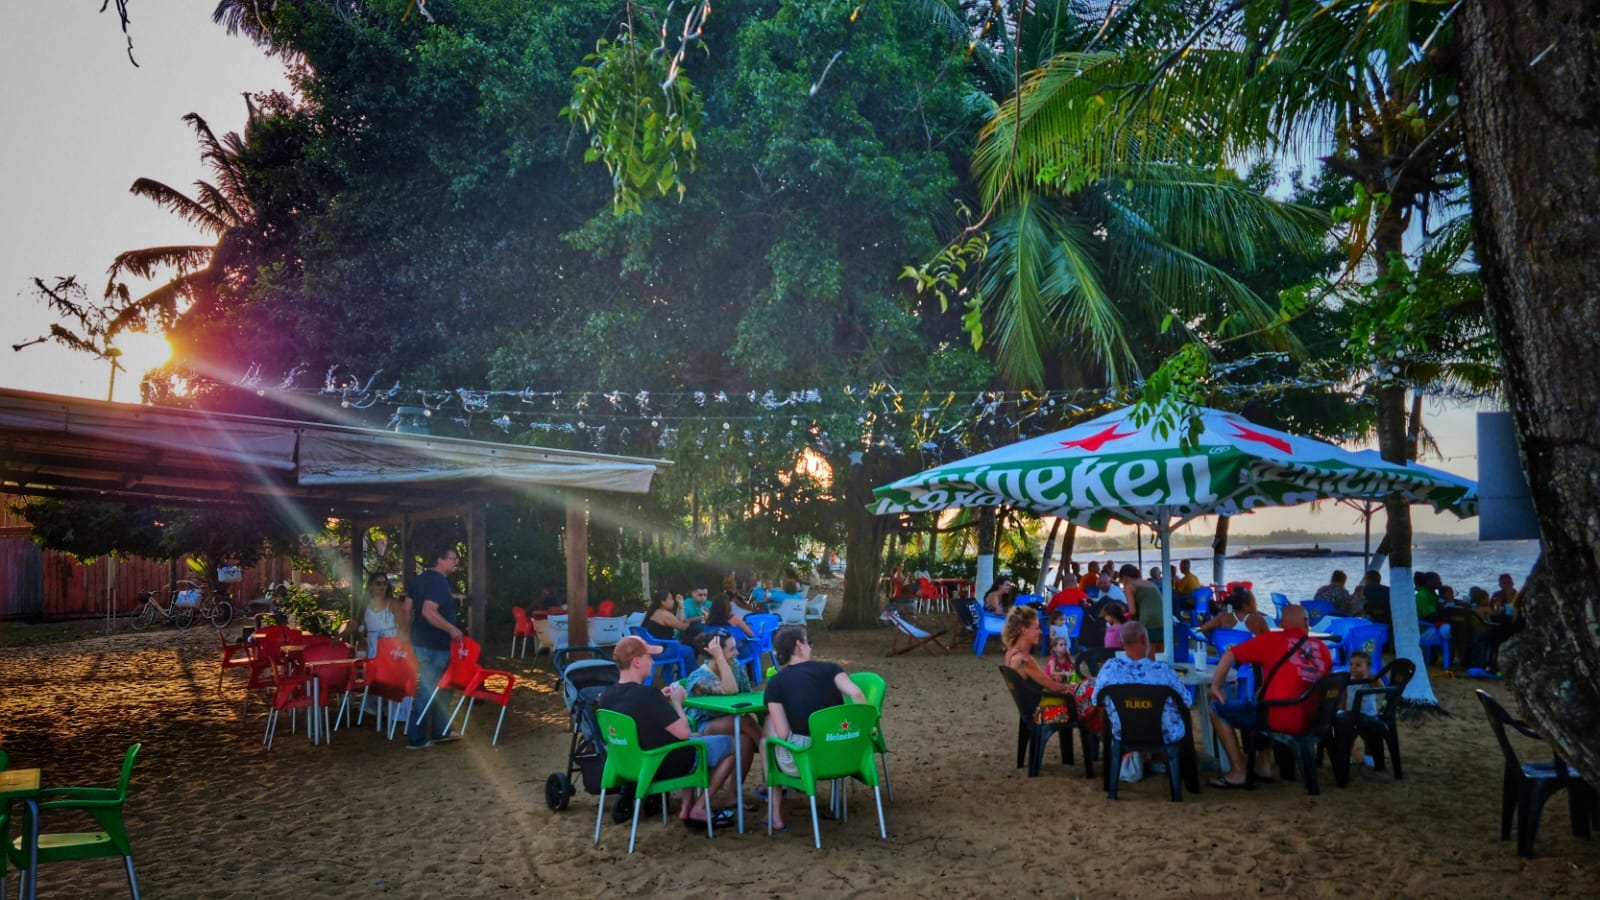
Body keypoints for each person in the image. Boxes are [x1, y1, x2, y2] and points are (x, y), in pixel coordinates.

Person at [599, 636, 737, 829]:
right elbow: (682, 733)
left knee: (701, 739)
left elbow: (640, 717)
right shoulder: (647, 695)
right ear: (636, 661)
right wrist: (677, 703)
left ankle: (687, 807)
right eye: (649, 656)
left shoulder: (607, 697)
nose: (653, 661)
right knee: (732, 744)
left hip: (628, 765)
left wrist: (661, 702)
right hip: (665, 764)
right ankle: (699, 808)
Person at [1207, 605, 1332, 787]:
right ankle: (1263, 764)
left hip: (1281, 718)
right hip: (1315, 719)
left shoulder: (1272, 640)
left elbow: (1230, 654)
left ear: (1281, 623)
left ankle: (1238, 771)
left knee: (1216, 708)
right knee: (1263, 700)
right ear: (1306, 622)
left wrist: (1216, 686)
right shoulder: (1323, 649)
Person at [763, 625, 866, 833]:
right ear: (799, 646)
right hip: (844, 750)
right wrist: (864, 728)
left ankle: (774, 813)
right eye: (809, 642)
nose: (810, 646)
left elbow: (783, 734)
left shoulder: (776, 683)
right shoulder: (832, 669)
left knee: (767, 739)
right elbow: (856, 694)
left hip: (806, 761)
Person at [1095, 621, 1188, 782]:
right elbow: (1186, 701)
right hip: (1162, 734)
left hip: (1124, 732)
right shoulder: (1163, 671)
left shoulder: (1110, 669)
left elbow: (1095, 699)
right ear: (1145, 639)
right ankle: (1172, 765)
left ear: (1122, 642)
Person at [683, 630, 761, 806]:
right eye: (732, 650)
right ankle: (770, 754)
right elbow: (730, 690)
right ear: (717, 652)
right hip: (702, 727)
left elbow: (747, 695)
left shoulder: (736, 667)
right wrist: (719, 658)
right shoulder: (699, 677)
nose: (737, 653)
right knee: (746, 721)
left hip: (730, 722)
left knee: (745, 740)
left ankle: (733, 795)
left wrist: (726, 662)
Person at [407, 545, 464, 750]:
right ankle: (416, 737)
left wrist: (408, 635)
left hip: (420, 642)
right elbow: (428, 611)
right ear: (440, 560)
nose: (455, 562)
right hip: (435, 644)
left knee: (444, 687)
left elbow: (407, 609)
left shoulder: (421, 579)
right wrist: (452, 629)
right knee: (429, 689)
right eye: (452, 558)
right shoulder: (438, 581)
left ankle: (440, 730)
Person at [1001, 606, 1074, 725]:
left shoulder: (1010, 654)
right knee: (1091, 700)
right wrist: (1075, 686)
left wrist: (1053, 679)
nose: (1040, 631)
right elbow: (1054, 688)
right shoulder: (1025, 660)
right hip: (1040, 712)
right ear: (1024, 630)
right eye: (1036, 628)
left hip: (1027, 710)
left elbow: (1037, 681)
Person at [362, 572, 409, 658]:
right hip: (372, 647)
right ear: (371, 586)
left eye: (385, 583)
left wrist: (398, 647)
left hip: (391, 648)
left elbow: (403, 627)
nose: (382, 586)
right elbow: (357, 626)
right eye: (378, 583)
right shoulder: (364, 605)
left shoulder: (393, 603)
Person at [1345, 649, 1379, 767]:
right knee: (1348, 737)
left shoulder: (1370, 680)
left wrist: (1372, 678)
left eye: (1358, 665)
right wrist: (1343, 709)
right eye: (1351, 664)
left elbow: (1381, 688)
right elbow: (1345, 695)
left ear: (1368, 667)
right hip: (1351, 715)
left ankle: (1369, 758)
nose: (1353, 667)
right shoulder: (1348, 680)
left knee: (1369, 739)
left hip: (1368, 715)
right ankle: (1348, 756)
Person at [1120, 564, 1164, 648]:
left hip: (1148, 619)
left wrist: (1122, 618)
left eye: (1121, 580)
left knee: (1149, 653)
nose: (1122, 582)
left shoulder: (1129, 586)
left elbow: (1132, 611)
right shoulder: (1149, 583)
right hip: (1164, 618)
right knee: (1160, 653)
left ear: (1124, 577)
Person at [1201, 588, 1269, 636]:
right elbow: (1269, 640)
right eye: (1254, 602)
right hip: (1251, 655)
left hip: (1228, 653)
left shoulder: (1222, 618)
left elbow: (1204, 628)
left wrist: (1215, 640)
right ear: (1245, 606)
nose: (1256, 605)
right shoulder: (1259, 620)